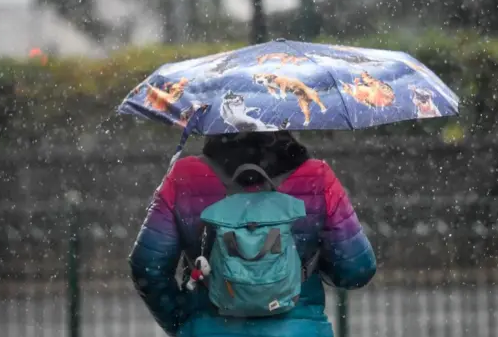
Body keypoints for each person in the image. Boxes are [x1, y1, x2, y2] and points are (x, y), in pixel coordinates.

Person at [129, 131, 377, 337]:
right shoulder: (316, 177)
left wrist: (182, 319)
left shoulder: (185, 176)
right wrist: (308, 266)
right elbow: (356, 268)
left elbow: (147, 266)